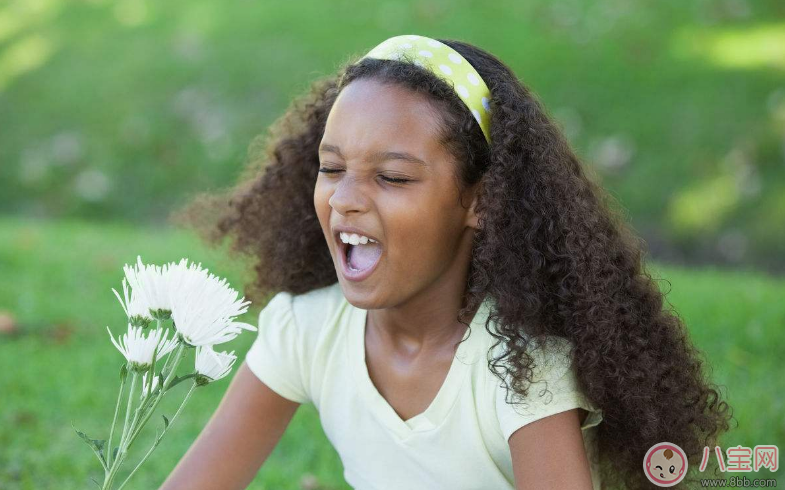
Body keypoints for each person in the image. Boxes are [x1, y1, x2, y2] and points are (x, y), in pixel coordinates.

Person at [163, 34, 731, 490]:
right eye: (331, 168)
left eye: (393, 177)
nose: (345, 199)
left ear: (479, 200)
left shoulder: (521, 372)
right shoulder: (306, 332)